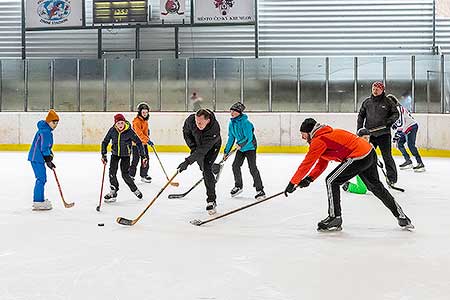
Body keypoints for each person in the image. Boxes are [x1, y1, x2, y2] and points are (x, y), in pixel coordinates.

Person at [284, 118, 413, 231]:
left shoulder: (319, 140)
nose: (303, 138)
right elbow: (322, 163)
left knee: (331, 181)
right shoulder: (326, 135)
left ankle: (335, 217)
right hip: (369, 152)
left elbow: (307, 163)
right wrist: (309, 179)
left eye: (303, 134)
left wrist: (292, 183)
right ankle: (401, 216)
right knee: (376, 187)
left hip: (358, 156)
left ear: (310, 132)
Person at [178, 109, 221, 214]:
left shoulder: (214, 129)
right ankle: (215, 168)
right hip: (197, 144)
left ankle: (211, 200)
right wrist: (193, 148)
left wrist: (187, 162)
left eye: (200, 123)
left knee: (206, 168)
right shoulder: (191, 120)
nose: (198, 124)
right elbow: (186, 133)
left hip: (212, 147)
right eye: (197, 122)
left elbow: (202, 151)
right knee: (202, 166)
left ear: (208, 120)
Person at [357, 81, 399, 186]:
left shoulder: (388, 102)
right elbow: (361, 116)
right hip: (369, 135)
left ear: (382, 90)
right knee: (367, 157)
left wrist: (390, 121)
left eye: (377, 89)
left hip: (384, 134)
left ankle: (392, 179)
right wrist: (359, 129)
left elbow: (396, 114)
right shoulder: (367, 102)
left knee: (387, 157)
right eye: (373, 89)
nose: (375, 91)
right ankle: (370, 177)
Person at [101, 113, 148, 203]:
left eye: (122, 123)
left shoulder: (129, 131)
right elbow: (105, 142)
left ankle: (135, 190)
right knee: (112, 173)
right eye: (118, 123)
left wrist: (143, 156)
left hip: (125, 155)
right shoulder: (112, 130)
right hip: (115, 154)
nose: (120, 125)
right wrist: (104, 154)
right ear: (115, 124)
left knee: (125, 174)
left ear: (124, 122)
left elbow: (138, 142)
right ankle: (113, 192)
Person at [223, 102, 265, 200]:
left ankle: (260, 190)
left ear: (239, 112)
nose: (232, 112)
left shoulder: (246, 123)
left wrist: (240, 144)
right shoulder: (231, 123)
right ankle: (238, 186)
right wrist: (226, 151)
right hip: (241, 149)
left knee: (252, 168)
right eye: (231, 110)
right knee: (235, 166)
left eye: (234, 111)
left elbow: (249, 138)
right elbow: (231, 138)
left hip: (250, 148)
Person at [28, 109, 60, 211]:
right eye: (53, 122)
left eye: (57, 122)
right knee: (41, 179)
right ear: (48, 121)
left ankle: (39, 199)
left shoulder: (45, 130)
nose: (55, 125)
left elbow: (46, 148)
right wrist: (48, 159)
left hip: (37, 158)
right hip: (37, 158)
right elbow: (44, 148)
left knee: (41, 178)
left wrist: (49, 158)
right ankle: (38, 201)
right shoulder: (46, 132)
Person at [388, 94, 425, 172]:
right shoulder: (393, 111)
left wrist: (396, 136)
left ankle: (420, 163)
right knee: (399, 144)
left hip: (411, 126)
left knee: (411, 145)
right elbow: (398, 124)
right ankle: (408, 161)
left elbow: (401, 123)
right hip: (405, 129)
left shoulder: (398, 109)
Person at [130, 102, 154, 182]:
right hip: (136, 144)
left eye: (146, 112)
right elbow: (139, 134)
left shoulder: (145, 121)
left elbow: (144, 132)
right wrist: (148, 140)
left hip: (143, 144)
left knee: (145, 159)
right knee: (135, 159)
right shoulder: (136, 121)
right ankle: (131, 175)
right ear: (140, 112)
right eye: (143, 112)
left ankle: (144, 175)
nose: (145, 114)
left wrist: (147, 136)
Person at [342, 128, 370, 195]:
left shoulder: (369, 146)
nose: (367, 140)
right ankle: (348, 186)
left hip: (368, 169)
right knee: (362, 190)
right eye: (365, 138)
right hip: (359, 169)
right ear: (359, 138)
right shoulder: (355, 147)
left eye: (368, 138)